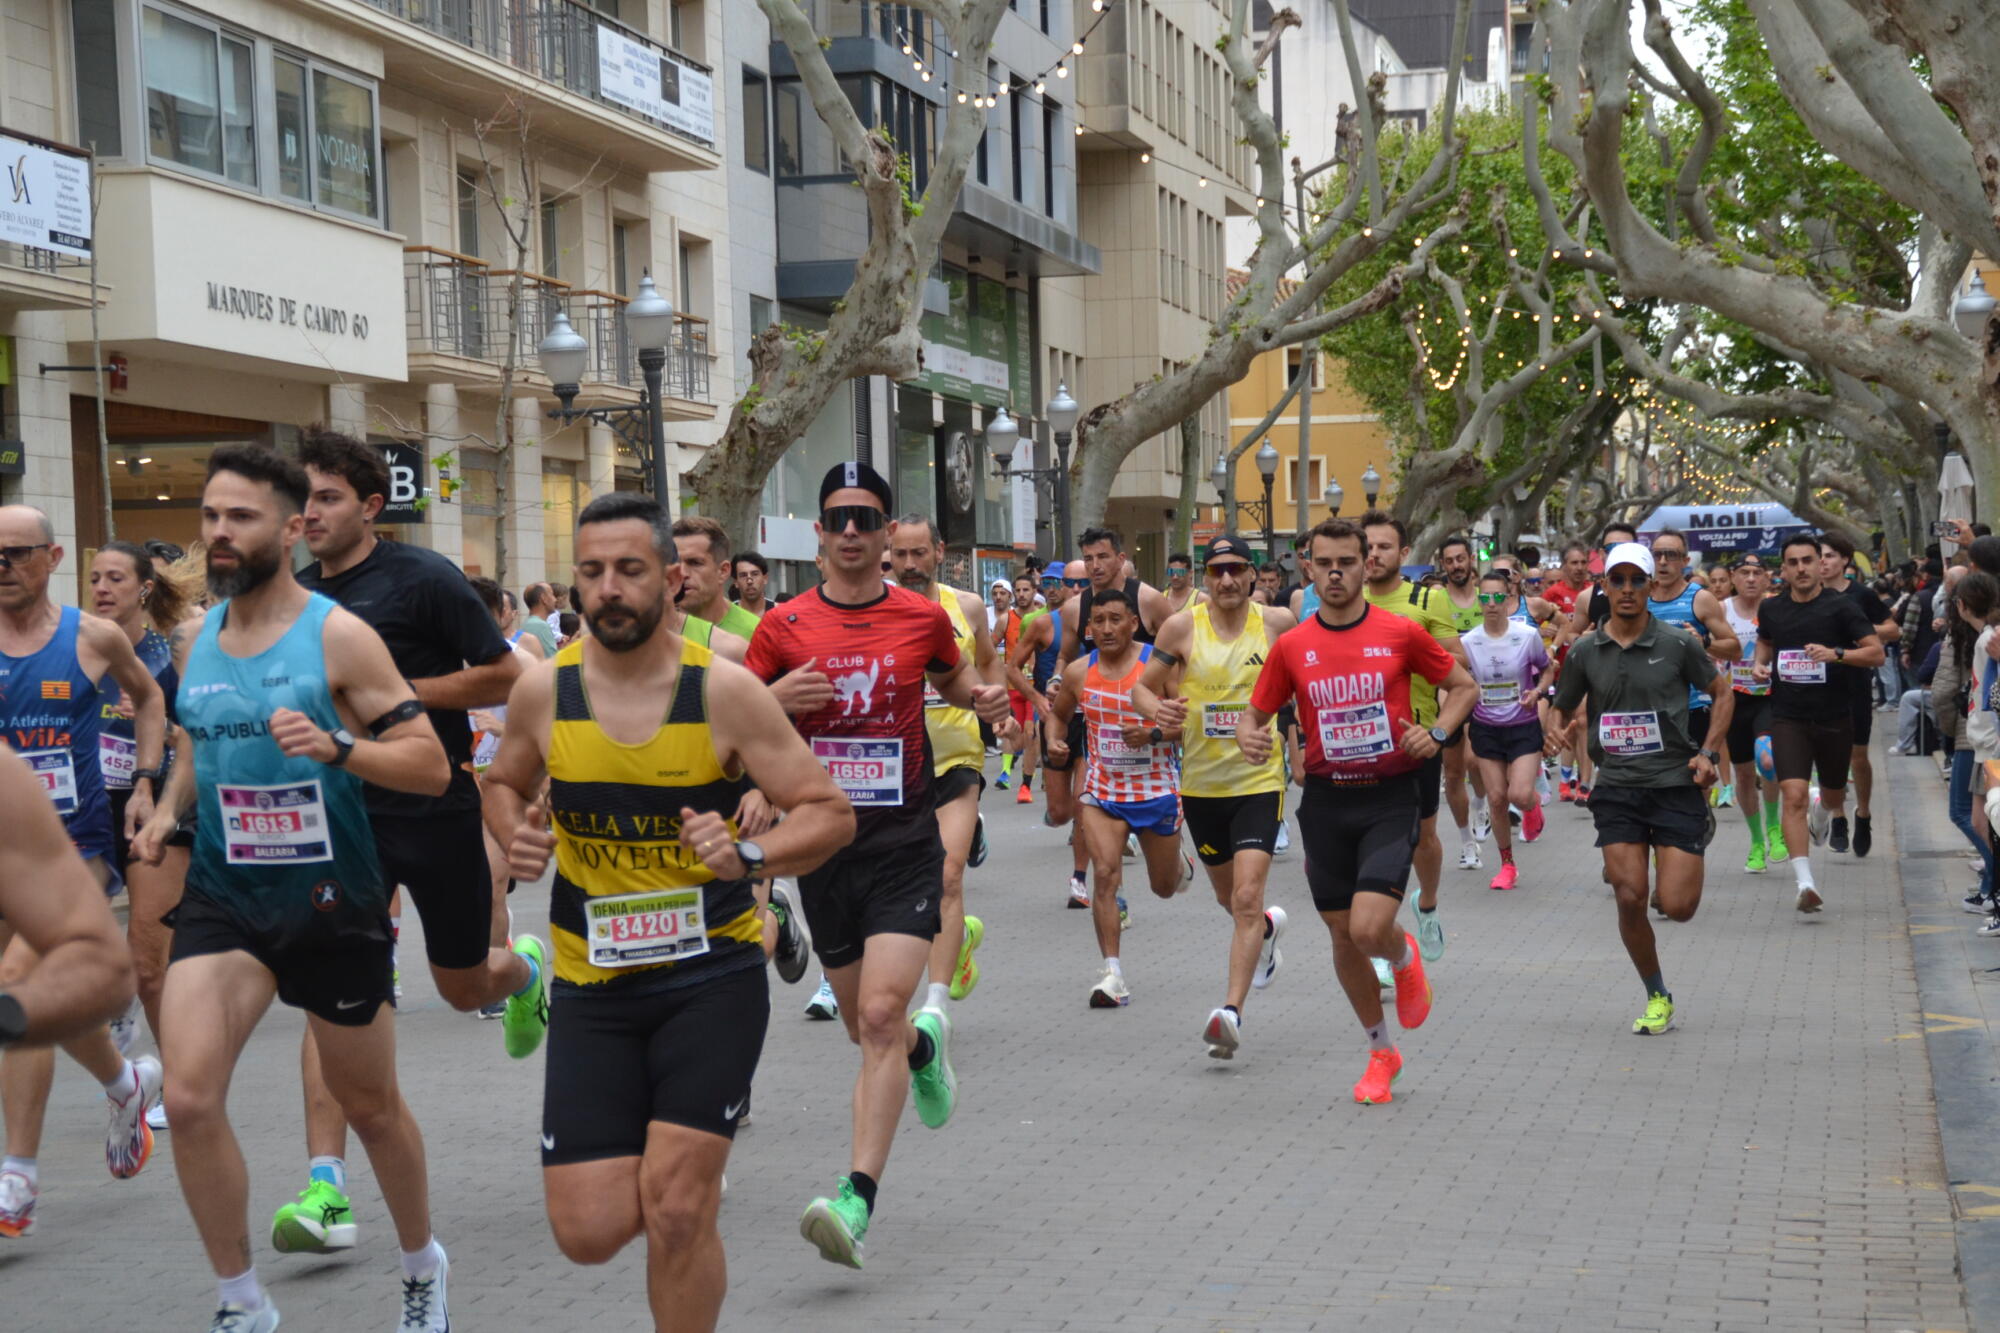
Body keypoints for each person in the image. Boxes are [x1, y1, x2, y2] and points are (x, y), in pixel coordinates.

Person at [482, 492, 853, 1333]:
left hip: (709, 978)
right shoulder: (545, 690)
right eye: (591, 572)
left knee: (678, 1208)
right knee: (587, 1230)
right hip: (591, 983)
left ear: (671, 578)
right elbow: (502, 782)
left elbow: (829, 813)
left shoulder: (723, 691)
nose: (609, 588)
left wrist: (749, 855)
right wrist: (516, 835)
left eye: (629, 569)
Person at [132, 443, 456, 1332]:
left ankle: (421, 1263)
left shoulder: (337, 634)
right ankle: (242, 1300)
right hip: (226, 895)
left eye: (240, 516)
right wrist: (167, 810)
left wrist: (339, 746)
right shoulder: (197, 639)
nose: (220, 531)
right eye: (210, 515)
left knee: (370, 1108)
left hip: (331, 898)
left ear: (290, 527)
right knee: (189, 1097)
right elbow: (198, 739)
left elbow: (429, 765)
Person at [743, 462, 1010, 1269]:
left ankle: (855, 1198)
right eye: (839, 518)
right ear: (820, 532)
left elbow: (955, 679)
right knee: (867, 1027)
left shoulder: (921, 616)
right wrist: (775, 708)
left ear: (888, 532)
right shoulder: (782, 625)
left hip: (902, 844)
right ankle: (925, 1055)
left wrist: (984, 698)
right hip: (823, 851)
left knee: (885, 1015)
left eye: (866, 517)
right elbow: (738, 720)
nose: (852, 530)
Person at [289, 428, 544, 1256]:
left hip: (432, 804)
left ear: (370, 506)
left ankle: (523, 970)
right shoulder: (292, 595)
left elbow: (506, 674)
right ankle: (325, 1186)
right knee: (332, 990)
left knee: (464, 985)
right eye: (302, 497)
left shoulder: (424, 578)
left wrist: (392, 695)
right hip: (339, 813)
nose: (309, 512)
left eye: (327, 497)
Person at [1238, 518, 1472, 1103]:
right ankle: (1381, 1053)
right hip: (1325, 803)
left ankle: (1404, 954)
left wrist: (1437, 733)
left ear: (1366, 565)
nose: (1336, 573)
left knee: (1369, 928)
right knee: (1343, 938)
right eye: (1325, 564)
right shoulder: (1292, 645)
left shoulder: (1399, 632)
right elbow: (1255, 713)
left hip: (1389, 796)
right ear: (1308, 568)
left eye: (1347, 562)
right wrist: (1249, 736)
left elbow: (1463, 687)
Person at [0, 505, 168, 1240]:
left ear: (52, 556)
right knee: (36, 1004)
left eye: (16, 553)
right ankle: (125, 1082)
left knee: (18, 985)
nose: (3, 567)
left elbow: (152, 698)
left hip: (74, 846)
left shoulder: (92, 637)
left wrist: (147, 779)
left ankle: (17, 1177)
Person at [1545, 542, 1732, 1035]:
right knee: (1629, 896)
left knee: (1678, 907)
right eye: (1618, 580)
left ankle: (1692, 832)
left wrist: (1709, 753)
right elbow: (1560, 705)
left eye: (1636, 580)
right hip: (1618, 787)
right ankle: (1656, 994)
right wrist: (1554, 729)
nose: (1627, 590)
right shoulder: (1585, 650)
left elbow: (1722, 692)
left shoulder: (1677, 643)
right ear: (1604, 587)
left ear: (1650, 586)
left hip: (1673, 783)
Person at [1130, 535, 1293, 1057]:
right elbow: (1141, 687)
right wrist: (1157, 710)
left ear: (1252, 574)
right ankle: (1266, 931)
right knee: (1230, 899)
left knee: (1245, 897)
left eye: (1236, 569)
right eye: (1217, 570)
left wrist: (1302, 741)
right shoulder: (1181, 627)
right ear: (1205, 577)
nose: (1226, 579)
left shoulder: (1277, 625)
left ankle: (1230, 1013)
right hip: (1201, 786)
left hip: (1258, 782)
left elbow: (1305, 679)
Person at [1044, 588, 1190, 1008]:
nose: (1106, 628)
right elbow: (1058, 716)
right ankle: (1112, 974)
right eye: (1098, 621)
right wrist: (1054, 742)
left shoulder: (1157, 666)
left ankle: (1179, 864)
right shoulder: (1078, 672)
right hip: (1102, 792)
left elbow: (1190, 723)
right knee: (1105, 875)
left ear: (1133, 623)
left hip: (1157, 790)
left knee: (1164, 888)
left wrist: (1153, 733)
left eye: (1115, 619)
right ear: (1088, 628)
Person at [88, 539, 197, 1080]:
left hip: (157, 806)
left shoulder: (166, 656)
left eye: (116, 579)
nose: (102, 589)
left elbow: (200, 738)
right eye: (95, 579)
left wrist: (161, 726)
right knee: (75, 955)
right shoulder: (77, 653)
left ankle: (180, 1085)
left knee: (151, 965)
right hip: (89, 809)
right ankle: (123, 1069)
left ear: (145, 589)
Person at [890, 516, 1009, 1010]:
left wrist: (999, 710)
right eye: (901, 554)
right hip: (894, 766)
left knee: (948, 875)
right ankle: (958, 938)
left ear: (940, 552)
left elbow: (988, 661)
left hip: (957, 755)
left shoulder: (967, 606)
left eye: (919, 553)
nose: (910, 564)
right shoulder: (878, 607)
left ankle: (934, 1007)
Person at [1751, 534, 1885, 913]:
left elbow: (1876, 653)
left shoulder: (1841, 607)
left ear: (1818, 564)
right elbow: (1766, 641)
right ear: (1783, 569)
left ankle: (1821, 810)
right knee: (1792, 795)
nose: (1801, 569)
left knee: (1833, 797)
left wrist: (1836, 654)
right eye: (1793, 562)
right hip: (1788, 716)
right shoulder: (1772, 608)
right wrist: (1760, 663)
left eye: (1807, 560)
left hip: (1834, 717)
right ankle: (1805, 884)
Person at [1359, 511, 1467, 968]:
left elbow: (1458, 662)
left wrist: (1409, 651)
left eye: (1384, 546)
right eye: (1367, 546)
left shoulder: (1427, 599)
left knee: (1424, 838)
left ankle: (1427, 905)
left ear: (1403, 553)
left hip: (1415, 739)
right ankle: (1381, 940)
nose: (1374, 554)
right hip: (1359, 742)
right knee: (1372, 842)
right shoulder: (1342, 599)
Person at [0, 744, 137, 1050]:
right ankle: (121, 1075)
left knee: (18, 978)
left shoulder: (8, 771)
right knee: (24, 985)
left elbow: (110, 970)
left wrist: (146, 780)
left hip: (87, 829)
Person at [1461, 571, 1555, 891]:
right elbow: (1459, 681)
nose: (1491, 603)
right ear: (1478, 600)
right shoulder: (1469, 642)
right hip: (1486, 728)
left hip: (1522, 726)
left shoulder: (1526, 635)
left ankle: (1532, 805)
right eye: (1485, 597)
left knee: (1518, 794)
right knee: (1498, 798)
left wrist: (1537, 692)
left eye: (1498, 597)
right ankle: (1507, 865)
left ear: (1508, 598)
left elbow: (1547, 669)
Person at [1819, 531, 1900, 856]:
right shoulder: (1809, 594)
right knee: (1829, 755)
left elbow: (1893, 629)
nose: (1823, 562)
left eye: (1829, 556)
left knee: (1857, 756)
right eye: (1819, 556)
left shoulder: (1861, 594)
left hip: (1855, 681)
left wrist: (1859, 627)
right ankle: (1837, 816)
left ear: (1844, 560)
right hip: (1820, 684)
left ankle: (1863, 814)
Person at [1719, 555, 1786, 873]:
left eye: (1757, 573)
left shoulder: (1776, 608)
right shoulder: (1721, 609)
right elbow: (1707, 647)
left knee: (1768, 761)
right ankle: (1757, 842)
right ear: (1733, 577)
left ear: (1766, 578)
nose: (1750, 579)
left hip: (1768, 697)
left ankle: (1774, 826)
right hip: (1734, 699)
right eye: (1744, 573)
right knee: (1744, 774)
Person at [1432, 536, 1492, 863]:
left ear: (1471, 559)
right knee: (1453, 773)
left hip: (1486, 690)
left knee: (1474, 760)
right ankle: (1467, 842)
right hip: (1449, 689)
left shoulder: (1488, 597)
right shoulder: (1436, 600)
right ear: (1443, 564)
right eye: (1449, 560)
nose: (1456, 565)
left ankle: (1481, 802)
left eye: (1460, 559)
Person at [673, 516, 763, 642]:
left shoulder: (756, 633)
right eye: (675, 563)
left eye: (695, 563)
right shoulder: (655, 633)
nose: (682, 573)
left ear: (723, 571)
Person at [997, 572, 1043, 794]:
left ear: (1034, 591)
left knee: (1031, 732)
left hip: (1035, 687)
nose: (1021, 594)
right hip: (1012, 685)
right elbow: (988, 648)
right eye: (1018, 590)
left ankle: (1027, 783)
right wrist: (1000, 668)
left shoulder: (1042, 618)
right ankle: (1005, 773)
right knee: (1009, 730)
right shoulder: (1006, 619)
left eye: (1026, 590)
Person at [520, 582, 561, 655]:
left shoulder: (527, 624)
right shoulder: (540, 626)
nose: (555, 599)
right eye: (552, 594)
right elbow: (553, 659)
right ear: (543, 598)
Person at [731, 551, 775, 619]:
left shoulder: (780, 612)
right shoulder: (727, 614)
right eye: (743, 575)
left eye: (755, 574)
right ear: (736, 582)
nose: (749, 581)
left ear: (765, 578)